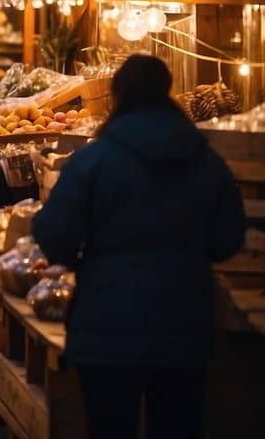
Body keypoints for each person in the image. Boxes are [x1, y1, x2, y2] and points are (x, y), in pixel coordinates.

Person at [32, 55, 244, 439]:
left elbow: (53, 232)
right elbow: (229, 240)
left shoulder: (93, 160)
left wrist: (82, 262)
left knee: (111, 427)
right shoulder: (206, 161)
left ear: (118, 96)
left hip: (107, 324)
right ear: (168, 91)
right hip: (185, 324)